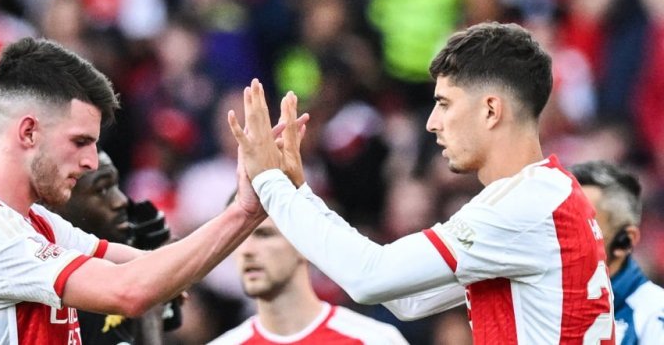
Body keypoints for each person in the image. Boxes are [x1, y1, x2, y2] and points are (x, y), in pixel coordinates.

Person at [229, 22, 616, 344]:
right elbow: (407, 299)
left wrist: (270, 181)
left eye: (445, 103)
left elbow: (370, 278)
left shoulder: (524, 206)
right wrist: (300, 193)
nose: (432, 123)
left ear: (490, 110)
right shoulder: (545, 195)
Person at [0, 36, 268, 343]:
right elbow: (129, 291)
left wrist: (259, 196)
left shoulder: (36, 222)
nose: (91, 162)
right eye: (80, 142)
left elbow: (143, 265)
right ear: (29, 132)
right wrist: (245, 210)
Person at [208, 213, 409, 344]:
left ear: (304, 241)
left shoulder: (373, 340)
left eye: (264, 234)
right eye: (238, 238)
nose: (246, 250)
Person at [47, 150, 177, 345]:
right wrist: (150, 307)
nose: (121, 201)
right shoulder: (54, 296)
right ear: (51, 206)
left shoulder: (122, 267)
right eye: (102, 190)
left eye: (117, 185)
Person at [570, 160, 664, 344]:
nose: (562, 239)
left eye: (583, 227)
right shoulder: (535, 306)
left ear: (624, 241)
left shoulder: (652, 318)